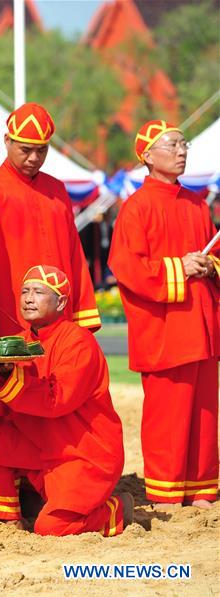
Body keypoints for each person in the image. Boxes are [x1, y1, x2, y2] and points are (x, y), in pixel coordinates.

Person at [0, 265, 132, 536]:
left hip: (81, 453)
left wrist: (6, 377)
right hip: (41, 445)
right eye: (25, 291)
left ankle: (116, 508)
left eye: (39, 292)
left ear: (61, 302)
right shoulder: (18, 343)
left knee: (51, 527)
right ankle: (4, 520)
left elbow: (56, 400)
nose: (29, 298)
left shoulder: (79, 342)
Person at [108, 119, 219, 508]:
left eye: (184, 143)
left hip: (202, 324)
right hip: (165, 329)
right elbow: (126, 266)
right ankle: (168, 491)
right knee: (168, 416)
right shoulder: (136, 207)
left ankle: (203, 489)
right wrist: (179, 268)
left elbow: (214, 256)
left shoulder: (198, 204)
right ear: (148, 157)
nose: (182, 150)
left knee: (205, 414)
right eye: (172, 145)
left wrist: (209, 267)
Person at [0, 102, 100, 343]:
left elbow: (74, 254)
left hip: (57, 314)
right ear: (6, 141)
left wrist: (82, 312)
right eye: (25, 150)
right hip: (7, 312)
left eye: (41, 151)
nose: (34, 158)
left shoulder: (57, 189)